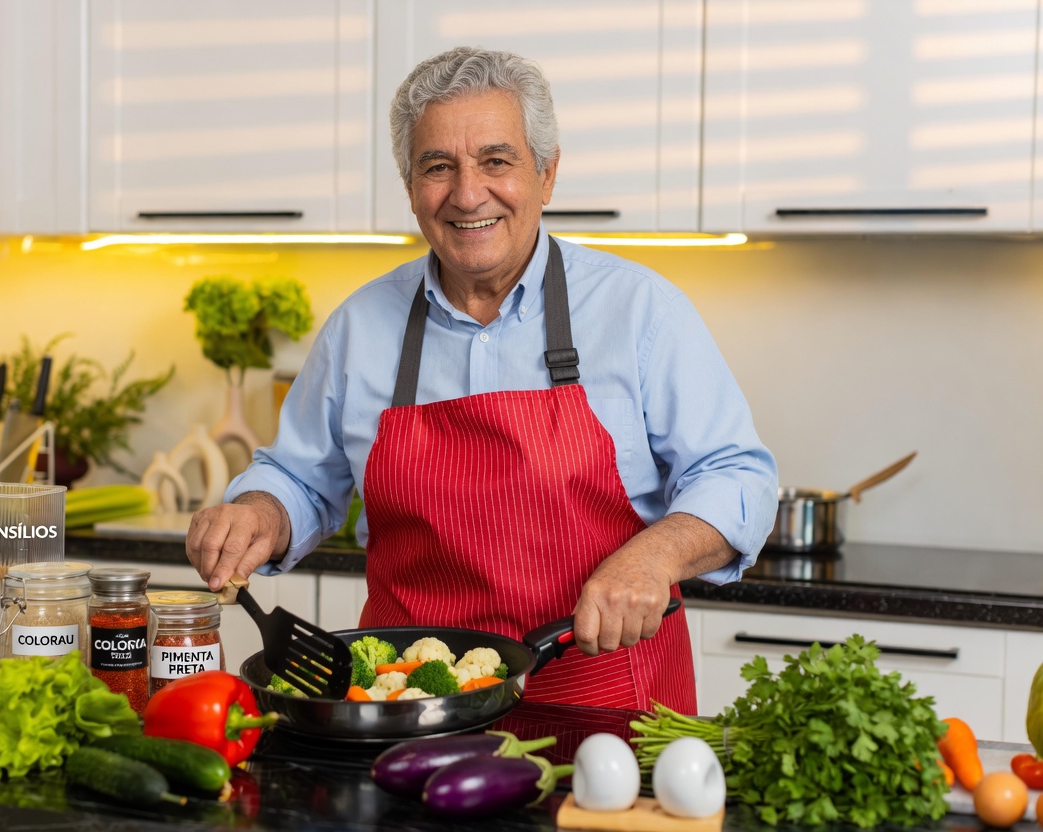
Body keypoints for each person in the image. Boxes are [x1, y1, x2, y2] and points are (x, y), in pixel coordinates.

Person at [186, 46, 778, 712]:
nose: (468, 194)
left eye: (497, 161)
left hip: (602, 698)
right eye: (438, 167)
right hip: (408, 709)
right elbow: (300, 476)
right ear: (412, 188)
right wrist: (258, 512)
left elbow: (739, 477)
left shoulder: (639, 311)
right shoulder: (361, 326)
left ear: (547, 174)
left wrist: (656, 557)